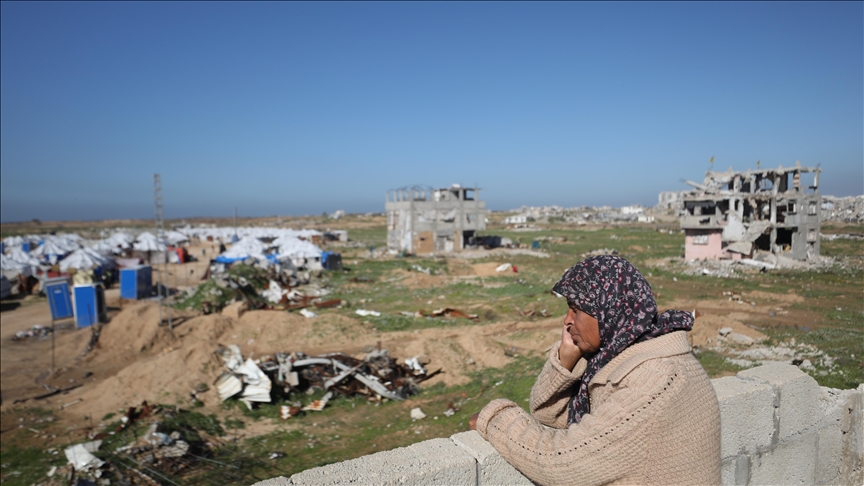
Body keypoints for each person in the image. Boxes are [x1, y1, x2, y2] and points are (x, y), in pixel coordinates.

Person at [470, 255, 720, 485]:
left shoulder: (654, 383)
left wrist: (496, 420)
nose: (567, 321)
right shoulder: (630, 355)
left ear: (609, 311)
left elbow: (563, 462)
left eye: (576, 310)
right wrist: (565, 361)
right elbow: (551, 416)